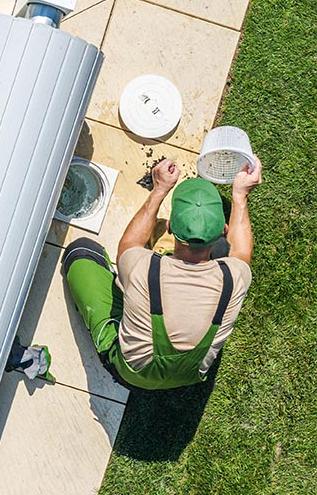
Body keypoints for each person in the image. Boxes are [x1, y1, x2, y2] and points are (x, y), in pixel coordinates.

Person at [62, 157, 262, 390]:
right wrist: (240, 195)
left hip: (132, 373)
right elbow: (241, 249)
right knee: (221, 252)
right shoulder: (235, 278)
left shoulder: (143, 268)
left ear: (169, 228)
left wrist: (160, 189)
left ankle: (109, 345)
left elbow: (130, 243)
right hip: (191, 374)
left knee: (82, 251)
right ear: (224, 230)